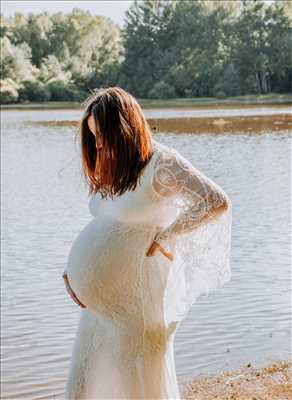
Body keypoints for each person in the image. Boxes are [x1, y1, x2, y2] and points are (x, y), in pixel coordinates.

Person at [62, 86, 232, 399]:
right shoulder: (113, 164)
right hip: (98, 309)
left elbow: (215, 201)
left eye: (104, 134)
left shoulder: (162, 163)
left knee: (134, 385)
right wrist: (72, 273)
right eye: (93, 135)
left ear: (126, 127)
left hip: (136, 303)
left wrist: (168, 234)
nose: (98, 144)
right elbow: (104, 222)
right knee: (85, 386)